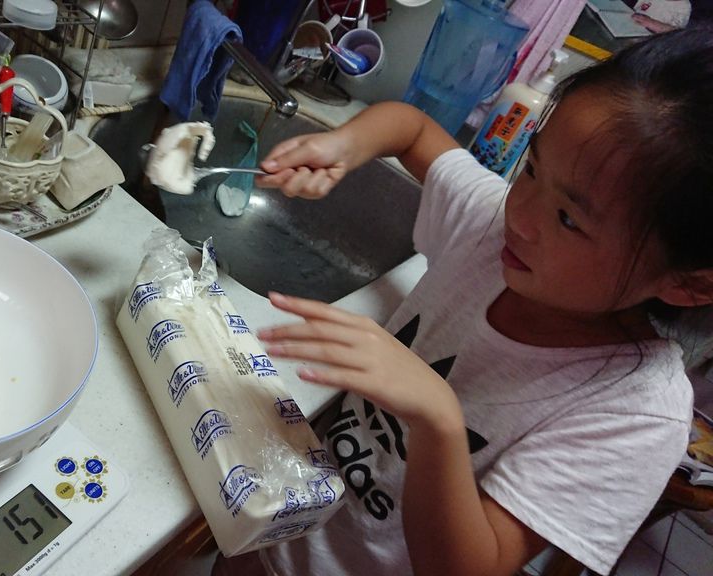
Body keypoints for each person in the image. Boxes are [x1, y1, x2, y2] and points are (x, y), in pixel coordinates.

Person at [213, 25, 713, 576]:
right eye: (532, 169)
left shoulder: (635, 414)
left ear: (689, 285)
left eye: (569, 219)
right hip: (277, 532)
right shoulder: (492, 230)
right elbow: (411, 130)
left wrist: (438, 421)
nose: (520, 216)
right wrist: (344, 145)